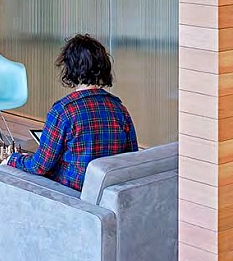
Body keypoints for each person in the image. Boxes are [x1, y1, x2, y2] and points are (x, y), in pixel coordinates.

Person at [7, 34, 137, 191]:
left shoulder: (63, 111)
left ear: (69, 67)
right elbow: (131, 159)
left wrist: (12, 159)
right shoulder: (119, 109)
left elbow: (39, 166)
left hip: (73, 190)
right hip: (106, 189)